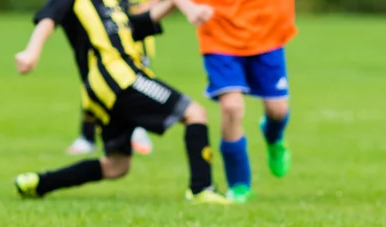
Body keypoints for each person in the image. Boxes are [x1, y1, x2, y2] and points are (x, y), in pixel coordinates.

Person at [14, 0, 231, 205]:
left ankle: (39, 183)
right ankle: (201, 189)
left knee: (116, 166)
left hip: (106, 89)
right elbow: (49, 17)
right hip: (121, 80)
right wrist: (32, 51)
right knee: (195, 113)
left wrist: (173, 4)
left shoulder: (116, 5)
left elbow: (136, 27)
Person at [195, 0, 297, 202]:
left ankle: (274, 138)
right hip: (219, 31)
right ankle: (239, 184)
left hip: (267, 32)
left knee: (277, 110)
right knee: (231, 108)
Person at [66, 0, 158, 156]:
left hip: (136, 41)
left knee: (136, 85)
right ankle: (87, 136)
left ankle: (137, 129)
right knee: (96, 86)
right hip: (109, 43)